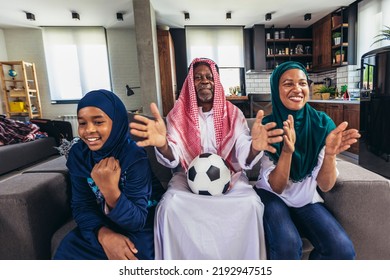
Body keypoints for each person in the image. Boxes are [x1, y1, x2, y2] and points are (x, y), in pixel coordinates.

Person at [130, 57, 284, 259]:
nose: (204, 81)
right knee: (169, 206)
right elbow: (174, 157)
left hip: (230, 178)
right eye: (198, 77)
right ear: (189, 83)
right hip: (188, 179)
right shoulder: (177, 115)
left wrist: (255, 147)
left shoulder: (233, 114)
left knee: (251, 204)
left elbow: (243, 149)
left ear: (216, 81)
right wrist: (162, 144)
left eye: (209, 77)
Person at [254, 61, 360, 260]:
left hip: (306, 198)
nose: (297, 89)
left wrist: (329, 155)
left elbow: (326, 186)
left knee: (342, 249)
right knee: (288, 244)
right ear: (275, 89)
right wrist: (287, 152)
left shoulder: (322, 123)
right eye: (288, 83)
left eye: (302, 83)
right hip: (272, 196)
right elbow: (277, 187)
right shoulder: (268, 127)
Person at [53, 89, 156, 260]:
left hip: (141, 220)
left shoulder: (133, 156)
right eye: (82, 123)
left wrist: (110, 191)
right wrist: (103, 234)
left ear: (116, 123)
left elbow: (137, 220)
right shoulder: (79, 155)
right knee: (68, 249)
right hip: (103, 220)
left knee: (135, 254)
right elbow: (81, 205)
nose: (89, 131)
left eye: (99, 122)